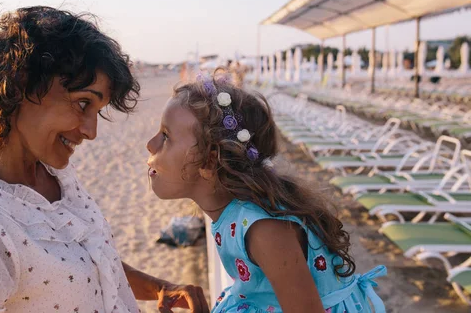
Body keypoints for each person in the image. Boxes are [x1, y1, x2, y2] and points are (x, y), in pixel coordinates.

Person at [0, 6, 208, 313]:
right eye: (82, 103)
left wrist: (161, 288)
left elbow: (86, 260)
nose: (91, 131)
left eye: (97, 111)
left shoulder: (51, 173)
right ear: (21, 83)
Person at [145, 72, 386, 313]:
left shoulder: (264, 231)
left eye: (166, 136)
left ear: (209, 163)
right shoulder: (235, 214)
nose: (151, 144)